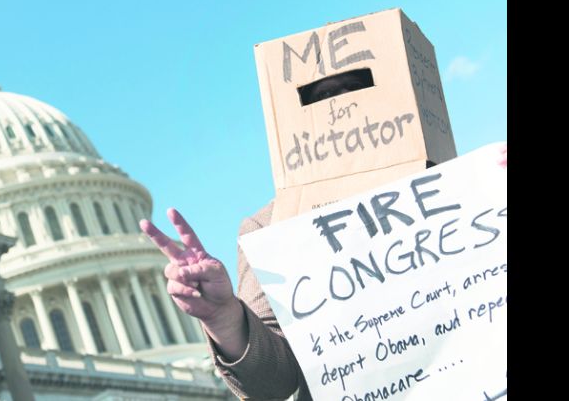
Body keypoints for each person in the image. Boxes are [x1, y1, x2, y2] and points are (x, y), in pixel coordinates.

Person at [140, 72, 507, 401]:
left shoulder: (461, 183)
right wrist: (225, 318)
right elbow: (272, 385)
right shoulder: (272, 226)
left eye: (357, 88)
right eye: (328, 94)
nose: (345, 103)